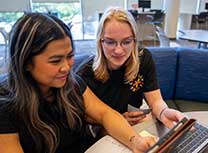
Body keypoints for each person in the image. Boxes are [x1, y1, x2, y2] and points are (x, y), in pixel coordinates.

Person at [0, 13, 155, 153]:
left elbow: (105, 113)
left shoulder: (71, 83)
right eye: (55, 61)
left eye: (70, 56)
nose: (67, 67)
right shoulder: (5, 105)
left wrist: (136, 141)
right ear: (25, 62)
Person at [77, 7, 185, 126]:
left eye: (126, 42)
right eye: (110, 42)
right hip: (102, 128)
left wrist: (164, 112)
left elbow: (155, 100)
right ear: (100, 42)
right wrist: (117, 120)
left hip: (135, 123)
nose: (118, 50)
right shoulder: (85, 74)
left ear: (134, 41)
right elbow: (83, 116)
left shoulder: (143, 58)